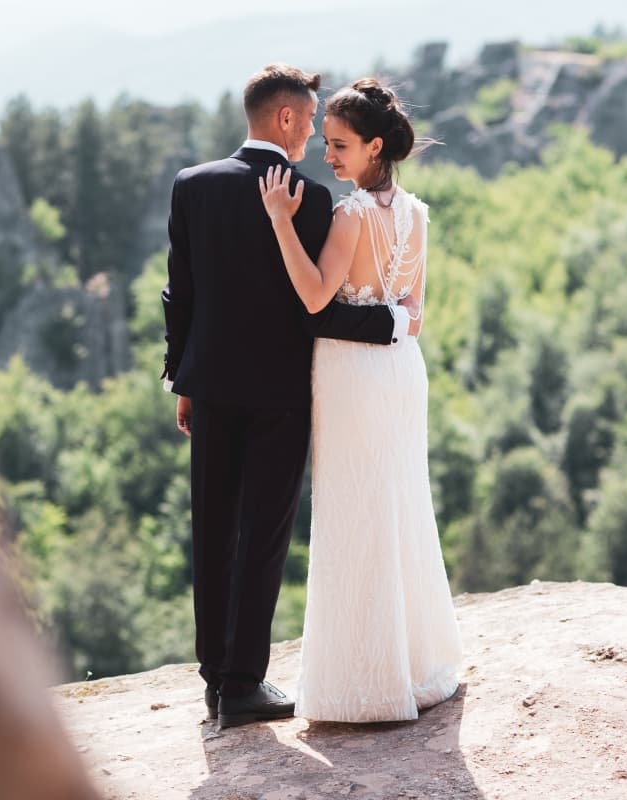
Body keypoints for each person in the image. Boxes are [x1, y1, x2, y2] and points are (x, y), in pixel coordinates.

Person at [161, 64, 412, 729]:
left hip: (209, 388)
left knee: (211, 530)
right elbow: (317, 311)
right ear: (286, 119)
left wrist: (178, 379)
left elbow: (179, 294)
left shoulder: (194, 186)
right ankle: (244, 685)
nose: (315, 137)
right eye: (309, 122)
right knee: (261, 537)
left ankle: (215, 681)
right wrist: (395, 324)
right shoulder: (309, 196)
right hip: (280, 394)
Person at [258, 78, 463, 723]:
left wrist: (282, 225)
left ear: (376, 147)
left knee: (356, 510)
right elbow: (415, 315)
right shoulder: (417, 215)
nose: (328, 156)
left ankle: (366, 682)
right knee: (401, 504)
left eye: (340, 145)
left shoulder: (349, 216)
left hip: (352, 375)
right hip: (402, 371)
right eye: (325, 142)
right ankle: (417, 665)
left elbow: (317, 297)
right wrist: (393, 322)